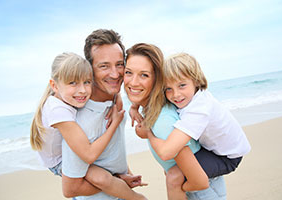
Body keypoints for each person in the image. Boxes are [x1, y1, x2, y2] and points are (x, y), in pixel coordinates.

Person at [30, 52, 145, 200]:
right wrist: (114, 124)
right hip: (59, 162)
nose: (83, 90)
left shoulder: (67, 98)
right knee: (103, 179)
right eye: (73, 83)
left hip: (63, 156)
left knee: (105, 179)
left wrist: (120, 99)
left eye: (87, 82)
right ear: (54, 85)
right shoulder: (57, 111)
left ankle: (120, 183)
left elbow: (104, 96)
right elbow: (89, 154)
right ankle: (137, 198)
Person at [124, 43, 227, 200]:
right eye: (128, 72)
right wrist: (134, 107)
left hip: (200, 193)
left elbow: (199, 181)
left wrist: (175, 186)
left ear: (157, 79)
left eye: (144, 75)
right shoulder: (155, 107)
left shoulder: (163, 121)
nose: (133, 82)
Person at [148, 52, 251, 198]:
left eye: (182, 85)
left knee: (174, 177)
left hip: (226, 157)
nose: (175, 94)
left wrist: (148, 134)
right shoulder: (194, 97)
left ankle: (187, 188)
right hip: (213, 148)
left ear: (196, 81)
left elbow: (166, 152)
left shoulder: (199, 109)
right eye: (168, 89)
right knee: (176, 170)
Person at [61, 29, 147, 200]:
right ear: (89, 69)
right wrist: (121, 185)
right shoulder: (79, 121)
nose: (115, 74)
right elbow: (70, 189)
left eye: (119, 64)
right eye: (104, 66)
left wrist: (124, 175)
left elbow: (111, 151)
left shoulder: (116, 99)